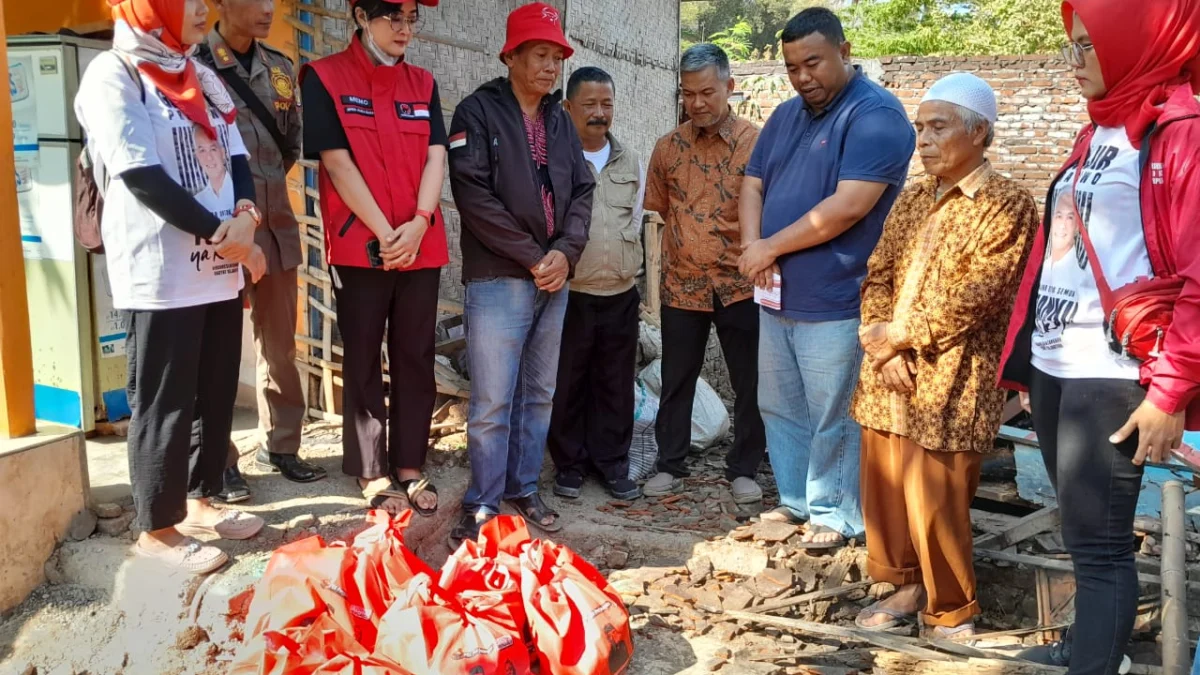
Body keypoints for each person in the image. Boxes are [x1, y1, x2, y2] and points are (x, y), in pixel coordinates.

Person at [998, 0, 1200, 670]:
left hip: (1112, 376)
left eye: (1089, 46)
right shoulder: (1098, 130)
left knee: (1102, 546)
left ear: (1135, 42)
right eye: (1072, 46)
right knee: (1083, 536)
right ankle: (1091, 646)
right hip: (1061, 367)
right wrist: (1030, 361)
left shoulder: (1180, 132)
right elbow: (1052, 255)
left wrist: (1170, 393)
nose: (1075, 62)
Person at [76, 0, 268, 575]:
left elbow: (237, 157)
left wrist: (246, 216)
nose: (202, 8)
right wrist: (223, 233)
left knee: (213, 392)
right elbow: (138, 173)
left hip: (217, 268)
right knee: (164, 401)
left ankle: (203, 500)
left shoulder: (200, 73)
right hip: (159, 274)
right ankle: (157, 530)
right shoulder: (115, 74)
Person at [850, 73, 1039, 640]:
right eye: (919, 128)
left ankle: (953, 608)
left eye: (939, 127)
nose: (924, 140)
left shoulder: (1007, 205)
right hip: (888, 373)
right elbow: (877, 273)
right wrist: (881, 346)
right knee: (885, 492)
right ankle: (907, 588)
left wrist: (893, 340)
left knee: (938, 500)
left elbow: (976, 298)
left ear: (979, 133)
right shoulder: (912, 198)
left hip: (951, 377)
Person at [736, 8, 914, 549]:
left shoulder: (876, 115)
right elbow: (752, 183)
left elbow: (848, 207)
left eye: (813, 62)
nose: (803, 76)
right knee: (780, 405)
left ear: (844, 49)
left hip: (838, 296)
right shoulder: (787, 116)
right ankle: (796, 500)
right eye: (792, 67)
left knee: (832, 414)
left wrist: (768, 245)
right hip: (776, 294)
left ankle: (836, 514)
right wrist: (751, 245)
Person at [447, 3, 594, 542]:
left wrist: (565, 253)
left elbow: (581, 189)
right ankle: (482, 500)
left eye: (556, 56)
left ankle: (523, 487)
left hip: (553, 276)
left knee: (539, 394)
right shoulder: (477, 112)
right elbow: (474, 198)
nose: (550, 66)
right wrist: (533, 256)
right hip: (499, 277)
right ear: (510, 56)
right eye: (539, 54)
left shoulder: (559, 117)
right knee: (492, 400)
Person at [299, 0, 448, 516]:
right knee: (362, 354)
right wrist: (387, 232)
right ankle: (370, 467)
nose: (405, 29)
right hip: (361, 243)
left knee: (415, 354)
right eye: (394, 19)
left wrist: (421, 221)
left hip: (419, 241)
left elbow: (436, 153)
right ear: (361, 16)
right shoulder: (322, 77)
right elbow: (336, 162)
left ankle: (409, 462)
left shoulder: (423, 83)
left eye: (412, 20)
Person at [200, 0, 326, 506]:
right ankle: (221, 460)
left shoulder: (280, 68)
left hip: (274, 228)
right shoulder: (195, 66)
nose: (267, 8)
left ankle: (283, 446)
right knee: (218, 354)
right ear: (221, 4)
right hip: (219, 233)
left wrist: (267, 189)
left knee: (279, 348)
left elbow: (291, 142)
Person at [641, 43, 767, 506]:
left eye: (707, 92)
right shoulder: (667, 149)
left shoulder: (757, 143)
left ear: (729, 87)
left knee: (749, 379)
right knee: (677, 377)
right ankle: (669, 463)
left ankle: (745, 467)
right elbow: (659, 211)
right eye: (687, 93)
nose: (696, 103)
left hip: (740, 284)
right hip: (683, 285)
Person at [547, 66, 644, 503]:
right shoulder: (554, 160)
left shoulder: (629, 160)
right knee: (568, 382)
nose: (599, 113)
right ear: (568, 108)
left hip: (620, 293)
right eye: (589, 104)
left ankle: (612, 465)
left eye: (607, 104)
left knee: (615, 383)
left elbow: (636, 220)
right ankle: (569, 465)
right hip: (571, 293)